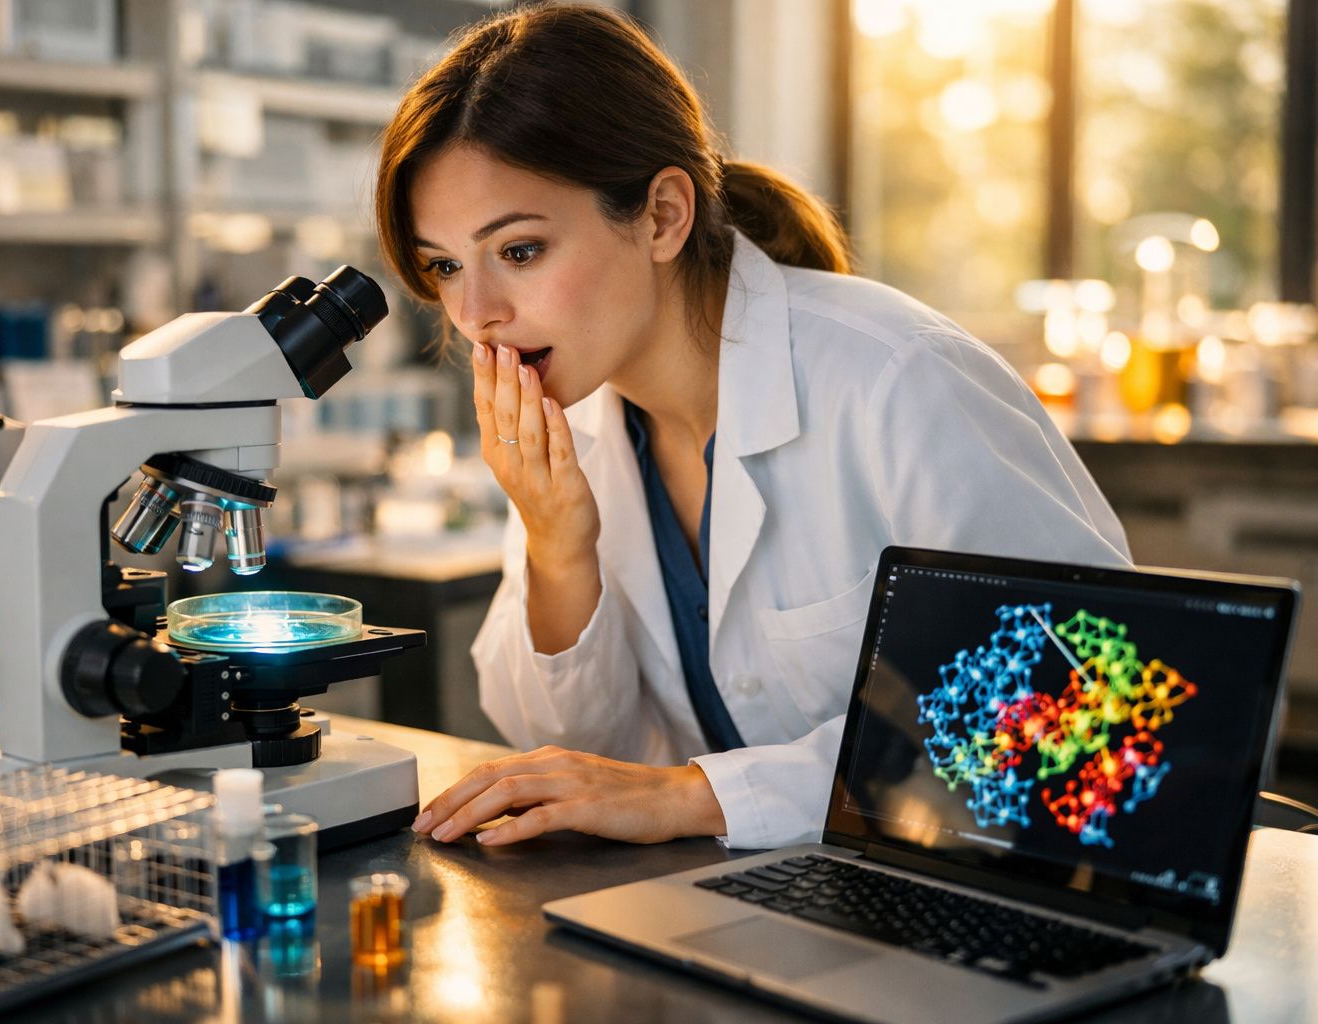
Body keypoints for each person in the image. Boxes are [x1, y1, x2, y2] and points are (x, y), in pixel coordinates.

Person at [372, 3, 1129, 852]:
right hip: (729, 893)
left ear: (662, 215)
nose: (476, 313)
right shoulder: (574, 429)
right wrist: (558, 546)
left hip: (970, 884)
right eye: (445, 266)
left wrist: (697, 797)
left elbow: (1079, 705)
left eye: (518, 252)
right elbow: (575, 760)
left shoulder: (897, 374)